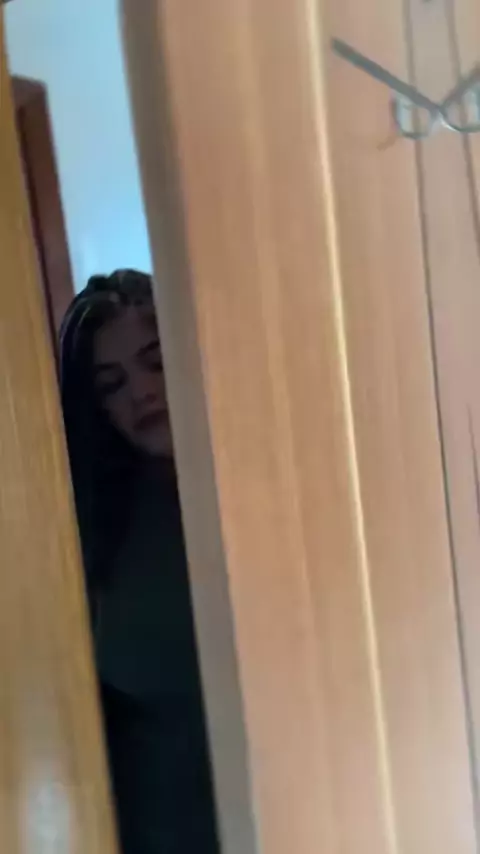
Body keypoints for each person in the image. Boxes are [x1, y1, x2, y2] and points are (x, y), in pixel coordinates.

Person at [60, 270, 219, 854]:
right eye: (112, 384)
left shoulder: (265, 488)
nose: (142, 393)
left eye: (155, 361)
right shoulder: (93, 528)